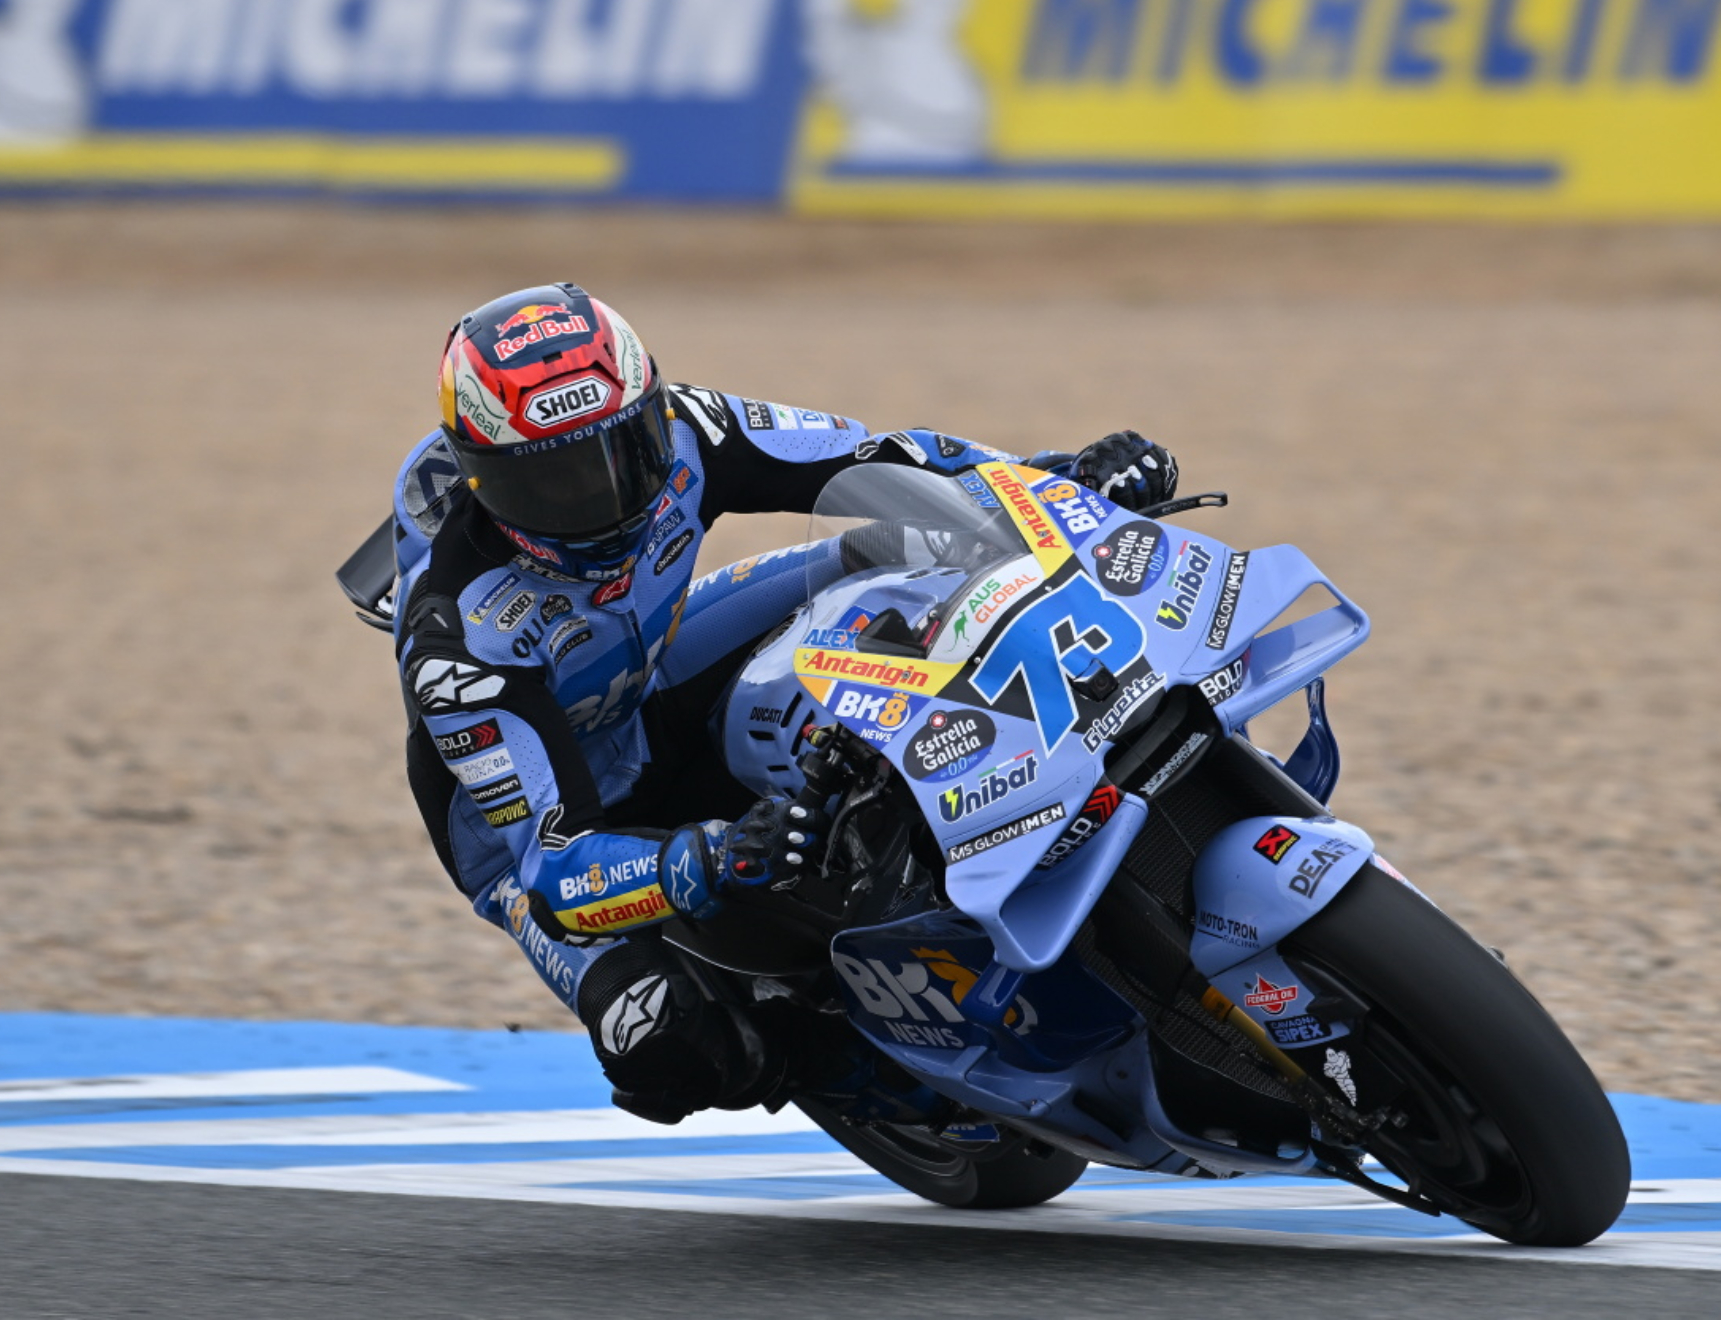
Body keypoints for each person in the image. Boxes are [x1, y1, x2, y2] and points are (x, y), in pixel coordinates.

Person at [393, 282, 1179, 1124]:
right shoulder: (459, 644)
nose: (608, 498)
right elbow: (556, 869)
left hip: (649, 687)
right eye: (556, 484)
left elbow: (878, 458)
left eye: (624, 453)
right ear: (484, 484)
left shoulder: (693, 429)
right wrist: (712, 858)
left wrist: (1059, 483)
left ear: (653, 411)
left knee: (899, 545)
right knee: (660, 1042)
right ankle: (834, 1067)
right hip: (530, 836)